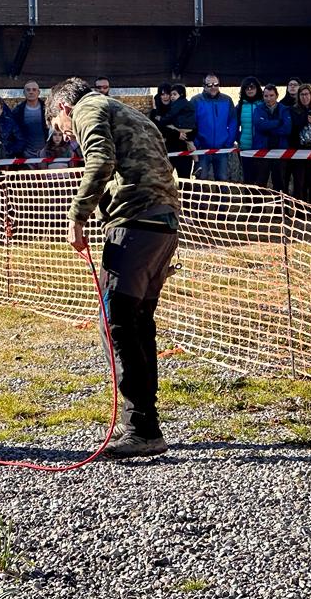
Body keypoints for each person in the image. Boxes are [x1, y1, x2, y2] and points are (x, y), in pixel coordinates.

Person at [47, 77, 179, 459]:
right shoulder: (127, 112)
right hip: (163, 223)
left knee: (116, 323)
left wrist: (77, 217)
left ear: (62, 110)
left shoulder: (88, 109)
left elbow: (101, 161)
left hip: (135, 227)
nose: (68, 136)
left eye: (62, 130)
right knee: (139, 323)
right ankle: (141, 419)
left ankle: (142, 427)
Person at [192, 74, 236, 181]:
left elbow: (233, 122)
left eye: (216, 84)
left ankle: (224, 198)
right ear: (204, 86)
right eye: (209, 85)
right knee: (201, 180)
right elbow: (191, 123)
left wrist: (229, 142)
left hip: (222, 148)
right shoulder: (196, 100)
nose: (213, 87)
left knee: (223, 179)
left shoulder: (227, 100)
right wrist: (197, 142)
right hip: (202, 149)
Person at [287, 85, 311, 203]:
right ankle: (300, 211)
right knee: (299, 183)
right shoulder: (293, 110)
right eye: (302, 94)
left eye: (307, 94)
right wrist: (305, 117)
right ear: (298, 96)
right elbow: (292, 129)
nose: (305, 97)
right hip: (298, 151)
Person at [148, 83, 195, 179]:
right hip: (165, 152)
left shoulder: (180, 108)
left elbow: (192, 126)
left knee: (185, 181)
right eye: (162, 94)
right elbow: (158, 129)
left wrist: (188, 136)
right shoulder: (155, 113)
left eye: (167, 94)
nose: (165, 97)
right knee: (164, 181)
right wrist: (177, 134)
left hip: (183, 151)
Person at [252, 84, 292, 191]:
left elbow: (287, 129)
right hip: (262, 151)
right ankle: (259, 208)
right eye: (266, 96)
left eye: (271, 95)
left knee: (280, 184)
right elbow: (259, 125)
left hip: (280, 151)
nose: (268, 98)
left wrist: (268, 128)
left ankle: (280, 208)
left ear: (277, 96)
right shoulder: (258, 109)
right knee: (260, 185)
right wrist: (278, 123)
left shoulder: (285, 110)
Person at [235, 77, 263, 185]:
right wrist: (239, 139)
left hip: (261, 147)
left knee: (260, 180)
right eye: (246, 88)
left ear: (257, 88)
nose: (249, 90)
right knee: (248, 180)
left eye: (252, 87)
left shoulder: (263, 105)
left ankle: (261, 202)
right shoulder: (240, 106)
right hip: (245, 147)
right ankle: (248, 201)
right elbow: (235, 126)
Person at [12, 80, 49, 159]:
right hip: (25, 154)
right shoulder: (17, 111)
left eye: (34, 90)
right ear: (24, 92)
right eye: (28, 90)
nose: (31, 92)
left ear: (39, 92)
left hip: (46, 152)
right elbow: (14, 133)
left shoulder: (47, 109)